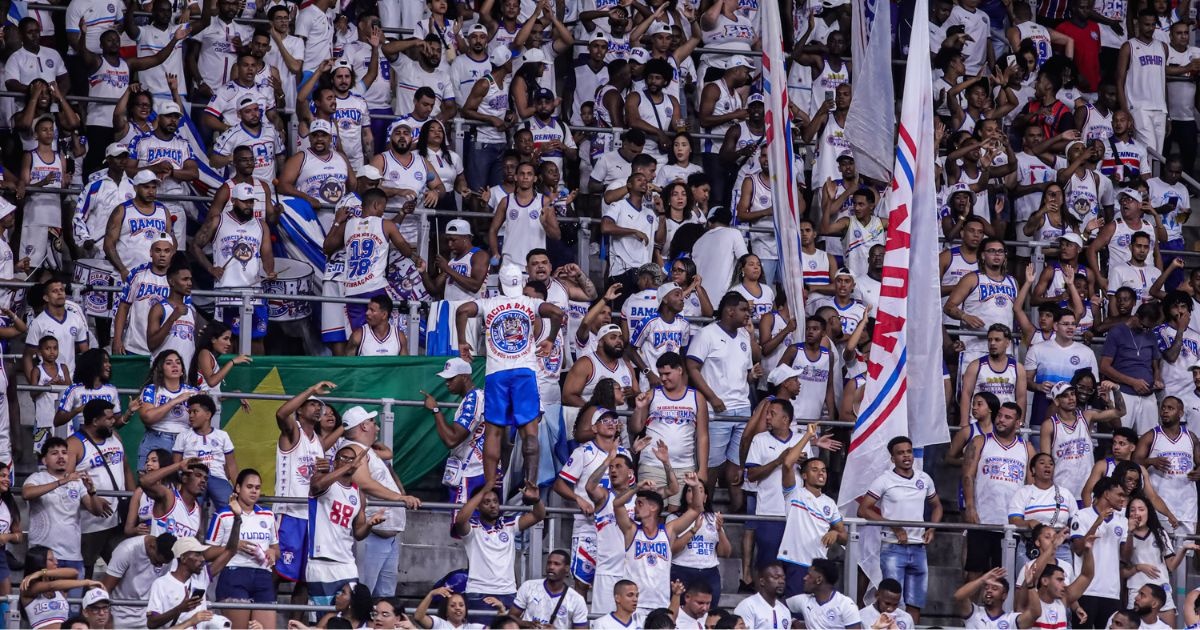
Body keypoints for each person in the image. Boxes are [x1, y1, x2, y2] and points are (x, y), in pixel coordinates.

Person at [455, 263, 564, 489]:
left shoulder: (488, 303)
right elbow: (557, 313)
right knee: (529, 431)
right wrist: (550, 339)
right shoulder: (530, 303)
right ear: (521, 283)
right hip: (525, 373)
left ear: (499, 284)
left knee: (494, 432)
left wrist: (462, 341)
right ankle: (531, 485)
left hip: (496, 373)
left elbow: (462, 310)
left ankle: (488, 485)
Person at [687, 292, 760, 511]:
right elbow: (691, 367)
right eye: (744, 310)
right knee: (711, 465)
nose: (748, 315)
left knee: (737, 467)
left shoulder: (744, 336)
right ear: (729, 311)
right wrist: (712, 397)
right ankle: (704, 511)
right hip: (717, 410)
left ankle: (736, 514)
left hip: (743, 408)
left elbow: (745, 373)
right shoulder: (707, 334)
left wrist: (752, 376)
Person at [338, 406, 422, 597]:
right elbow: (363, 482)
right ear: (363, 426)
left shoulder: (365, 450)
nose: (377, 428)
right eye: (373, 423)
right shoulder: (352, 450)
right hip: (371, 535)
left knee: (385, 599)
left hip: (387, 536)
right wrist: (400, 497)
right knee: (363, 594)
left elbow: (388, 454)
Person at [857, 436, 941, 623]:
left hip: (919, 547)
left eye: (909, 451)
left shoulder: (924, 478)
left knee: (915, 602)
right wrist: (894, 526)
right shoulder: (884, 480)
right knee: (894, 602)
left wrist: (932, 528)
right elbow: (863, 509)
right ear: (892, 458)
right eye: (900, 453)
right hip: (893, 547)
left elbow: (937, 506)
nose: (906, 456)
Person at [273, 381, 342, 605]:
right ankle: (264, 616)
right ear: (300, 410)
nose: (317, 408)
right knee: (277, 572)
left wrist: (324, 472)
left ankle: (296, 622)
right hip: (289, 513)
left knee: (305, 578)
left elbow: (317, 482)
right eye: (312, 404)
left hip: (311, 515)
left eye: (319, 405)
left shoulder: (319, 442)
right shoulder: (293, 432)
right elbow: (281, 413)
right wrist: (311, 390)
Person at [192, 181, 276, 355]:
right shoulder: (218, 221)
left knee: (257, 339)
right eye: (244, 201)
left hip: (254, 291)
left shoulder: (261, 225)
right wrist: (211, 269)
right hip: (227, 291)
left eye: (251, 201)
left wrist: (269, 271)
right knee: (228, 339)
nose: (249, 205)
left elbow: (267, 253)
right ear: (233, 200)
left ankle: (254, 372)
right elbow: (195, 246)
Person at [325, 188, 422, 335]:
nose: (383, 212)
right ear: (376, 205)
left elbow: (327, 247)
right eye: (383, 207)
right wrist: (416, 259)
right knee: (388, 332)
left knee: (359, 335)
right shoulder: (386, 224)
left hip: (352, 290)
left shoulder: (348, 225)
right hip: (376, 288)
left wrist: (337, 222)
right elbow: (405, 249)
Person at [22, 437, 111, 596]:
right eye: (54, 453)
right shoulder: (37, 478)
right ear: (45, 460)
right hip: (44, 558)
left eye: (64, 452)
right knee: (45, 605)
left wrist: (92, 491)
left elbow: (96, 511)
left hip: (73, 556)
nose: (61, 456)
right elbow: (27, 494)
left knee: (73, 607)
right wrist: (62, 482)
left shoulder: (76, 482)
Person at [962, 402, 1036, 580]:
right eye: (999, 415)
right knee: (974, 573)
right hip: (982, 519)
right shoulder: (980, 441)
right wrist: (970, 506)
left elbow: (1031, 486)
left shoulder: (1027, 448)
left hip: (1011, 523)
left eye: (1007, 417)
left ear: (1018, 423)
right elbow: (967, 475)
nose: (1001, 420)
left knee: (1003, 577)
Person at [307, 446, 385, 607]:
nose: (349, 462)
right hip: (321, 561)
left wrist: (370, 524)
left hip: (347, 562)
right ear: (334, 462)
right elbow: (316, 487)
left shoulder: (358, 494)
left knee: (351, 612)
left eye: (352, 459)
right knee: (324, 615)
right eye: (344, 458)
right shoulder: (324, 481)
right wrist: (348, 466)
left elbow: (359, 533)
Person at [627, 352, 708, 508]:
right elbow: (636, 427)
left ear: (680, 370)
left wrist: (703, 469)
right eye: (660, 374)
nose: (663, 378)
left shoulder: (697, 397)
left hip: (684, 467)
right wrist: (638, 408)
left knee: (677, 514)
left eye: (667, 373)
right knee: (650, 511)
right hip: (652, 464)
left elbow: (703, 436)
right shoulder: (652, 394)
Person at [453, 483, 546, 618]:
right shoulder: (472, 527)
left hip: (509, 593)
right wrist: (485, 488)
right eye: (487, 502)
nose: (493, 505)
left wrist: (536, 500)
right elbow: (460, 521)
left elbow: (538, 515)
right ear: (477, 505)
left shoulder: (508, 524)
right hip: (478, 592)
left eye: (495, 501)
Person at [65, 399, 133, 578]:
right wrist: (91, 499)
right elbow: (67, 481)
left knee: (123, 569)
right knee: (84, 571)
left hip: (117, 518)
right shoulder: (74, 444)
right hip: (90, 523)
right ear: (95, 421)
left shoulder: (115, 436)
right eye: (108, 418)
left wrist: (134, 499)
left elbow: (126, 468)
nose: (113, 421)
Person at [206, 468, 278, 630]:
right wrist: (234, 546)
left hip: (263, 576)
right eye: (249, 486)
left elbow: (276, 549)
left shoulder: (268, 515)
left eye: (257, 488)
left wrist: (273, 552)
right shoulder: (223, 515)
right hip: (234, 574)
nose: (254, 491)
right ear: (238, 488)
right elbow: (207, 553)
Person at [778, 445, 845, 597]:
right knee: (795, 607)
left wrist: (835, 533)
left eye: (823, 470)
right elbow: (787, 463)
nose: (821, 473)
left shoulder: (830, 503)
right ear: (804, 475)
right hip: (795, 560)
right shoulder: (794, 494)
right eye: (814, 470)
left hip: (819, 565)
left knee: (817, 608)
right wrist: (808, 436)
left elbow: (845, 537)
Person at [145, 532, 239, 629]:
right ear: (183, 558)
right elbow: (151, 623)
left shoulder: (202, 576)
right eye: (197, 554)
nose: (202, 559)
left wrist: (237, 523)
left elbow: (230, 551)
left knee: (221, 624)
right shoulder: (161, 584)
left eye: (201, 554)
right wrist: (180, 609)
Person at [1134, 395, 1199, 533]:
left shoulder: (1191, 437)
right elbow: (1133, 463)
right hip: (1160, 504)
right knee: (1162, 545)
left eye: (1170, 408)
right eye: (1163, 408)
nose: (1165, 411)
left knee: (1186, 545)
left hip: (1187, 506)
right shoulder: (1151, 436)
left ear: (1180, 413)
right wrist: (1151, 461)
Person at [1071, 475, 1131, 626]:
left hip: (1112, 592)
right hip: (1085, 590)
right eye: (1120, 495)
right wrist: (1097, 523)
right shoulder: (1082, 515)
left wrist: (1131, 531)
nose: (1123, 499)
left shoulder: (1123, 521)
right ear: (1107, 494)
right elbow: (1078, 549)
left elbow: (1125, 557)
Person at [1101, 302, 1164, 434]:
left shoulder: (1150, 334)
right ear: (1136, 317)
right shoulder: (1117, 332)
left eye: (1149, 327)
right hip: (1123, 393)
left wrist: (1157, 378)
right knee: (1122, 435)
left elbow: (1155, 363)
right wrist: (1133, 382)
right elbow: (1104, 367)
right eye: (1143, 326)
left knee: (1150, 437)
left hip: (1148, 394)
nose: (1145, 330)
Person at [112, 235, 173, 357]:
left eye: (167, 251)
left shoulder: (177, 278)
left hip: (166, 349)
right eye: (158, 250)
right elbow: (123, 307)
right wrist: (117, 339)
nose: (162, 255)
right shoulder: (137, 274)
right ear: (150, 252)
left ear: (172, 254)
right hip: (134, 346)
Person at [137, 349, 200, 468]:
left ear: (182, 370)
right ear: (161, 369)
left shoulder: (193, 392)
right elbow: (147, 417)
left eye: (178, 362)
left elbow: (202, 421)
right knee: (150, 478)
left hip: (186, 441)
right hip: (157, 440)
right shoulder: (151, 390)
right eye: (169, 363)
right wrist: (174, 401)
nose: (175, 365)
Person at [19, 546, 105, 630]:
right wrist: (87, 582)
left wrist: (41, 572)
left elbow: (74, 573)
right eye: (51, 560)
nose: (56, 562)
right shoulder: (28, 587)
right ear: (38, 562)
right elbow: (51, 586)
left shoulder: (59, 588)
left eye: (55, 559)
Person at [101, 532, 176, 628]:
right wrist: (107, 618)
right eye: (157, 562)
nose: (160, 566)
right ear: (152, 546)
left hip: (149, 617)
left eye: (163, 563)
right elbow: (106, 588)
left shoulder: (166, 555)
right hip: (120, 616)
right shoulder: (126, 550)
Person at [510, 550, 590, 628]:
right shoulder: (529, 587)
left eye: (557, 564)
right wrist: (526, 624)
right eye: (549, 563)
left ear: (567, 568)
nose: (551, 567)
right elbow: (510, 618)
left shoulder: (576, 600)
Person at [141, 455, 207, 539]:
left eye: (206, 478)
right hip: (161, 547)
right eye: (198, 475)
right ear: (185, 479)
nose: (203, 480)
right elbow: (144, 481)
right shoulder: (169, 496)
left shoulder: (198, 510)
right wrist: (178, 466)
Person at [786, 558, 862, 629]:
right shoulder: (803, 600)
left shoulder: (845, 604)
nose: (804, 578)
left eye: (809, 575)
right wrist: (793, 620)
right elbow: (780, 605)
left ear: (819, 580)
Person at [954, 567, 1039, 628]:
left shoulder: (1011, 620)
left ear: (1004, 595)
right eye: (986, 588)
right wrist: (982, 580)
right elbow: (958, 596)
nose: (989, 590)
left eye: (994, 588)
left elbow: (1035, 613)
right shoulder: (974, 613)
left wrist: (1030, 585)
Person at [732, 562, 790, 630]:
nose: (781, 581)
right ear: (762, 581)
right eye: (776, 577)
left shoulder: (785, 610)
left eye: (783, 578)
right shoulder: (748, 606)